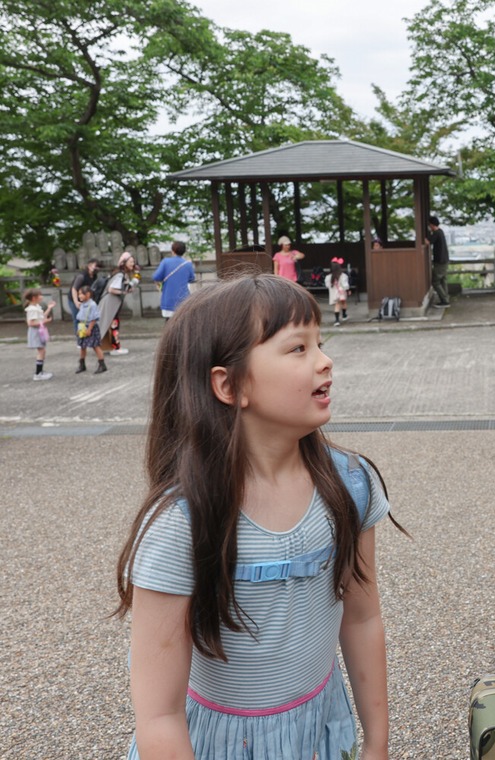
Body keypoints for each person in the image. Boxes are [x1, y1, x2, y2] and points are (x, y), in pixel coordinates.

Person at [114, 274, 396, 759]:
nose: (325, 362)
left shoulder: (350, 484)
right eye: (297, 349)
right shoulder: (180, 525)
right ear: (229, 384)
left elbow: (362, 617)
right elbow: (158, 714)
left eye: (320, 344)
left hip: (320, 731)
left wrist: (377, 742)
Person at [99, 252, 140, 356]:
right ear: (124, 263)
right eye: (131, 262)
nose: (132, 264)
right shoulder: (120, 274)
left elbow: (123, 287)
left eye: (133, 262)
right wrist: (123, 292)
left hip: (111, 303)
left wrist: (129, 287)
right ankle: (116, 348)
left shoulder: (121, 274)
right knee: (114, 325)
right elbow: (111, 289)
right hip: (111, 304)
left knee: (111, 325)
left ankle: (109, 347)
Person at [152, 241, 196, 320]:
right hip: (183, 298)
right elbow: (192, 279)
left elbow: (156, 277)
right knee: (183, 323)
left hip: (168, 298)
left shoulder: (165, 262)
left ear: (173, 250)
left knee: (169, 324)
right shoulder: (187, 264)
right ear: (184, 251)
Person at [73, 285, 108, 374]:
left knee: (95, 346)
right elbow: (80, 317)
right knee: (82, 346)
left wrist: (89, 329)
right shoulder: (82, 305)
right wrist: (79, 328)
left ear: (88, 294)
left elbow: (93, 318)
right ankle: (82, 364)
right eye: (79, 294)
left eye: (81, 294)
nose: (79, 296)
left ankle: (102, 364)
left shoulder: (92, 305)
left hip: (90, 327)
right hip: (82, 326)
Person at [24, 288, 55, 381]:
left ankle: (40, 372)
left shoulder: (36, 306)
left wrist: (49, 308)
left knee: (42, 351)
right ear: (34, 298)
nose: (41, 297)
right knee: (41, 351)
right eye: (40, 295)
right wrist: (44, 321)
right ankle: (38, 373)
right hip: (36, 332)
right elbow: (30, 323)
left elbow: (41, 317)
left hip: (39, 331)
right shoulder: (32, 309)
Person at [68, 258, 100, 334]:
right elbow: (74, 289)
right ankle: (79, 337)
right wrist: (76, 302)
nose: (97, 268)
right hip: (74, 299)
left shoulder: (94, 276)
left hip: (84, 299)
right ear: (89, 266)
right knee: (77, 319)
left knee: (85, 319)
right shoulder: (82, 276)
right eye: (95, 266)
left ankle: (85, 335)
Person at [427, 215, 450, 306]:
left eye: (429, 225)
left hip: (440, 261)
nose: (429, 227)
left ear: (432, 225)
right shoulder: (440, 232)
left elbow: (428, 242)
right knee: (443, 280)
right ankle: (445, 298)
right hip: (445, 259)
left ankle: (444, 300)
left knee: (435, 281)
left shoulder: (436, 233)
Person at [325, 257, 350, 326]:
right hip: (341, 293)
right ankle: (344, 315)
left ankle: (337, 320)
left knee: (337, 305)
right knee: (343, 302)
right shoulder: (343, 276)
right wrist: (348, 291)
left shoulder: (328, 277)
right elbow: (345, 285)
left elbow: (327, 285)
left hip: (333, 293)